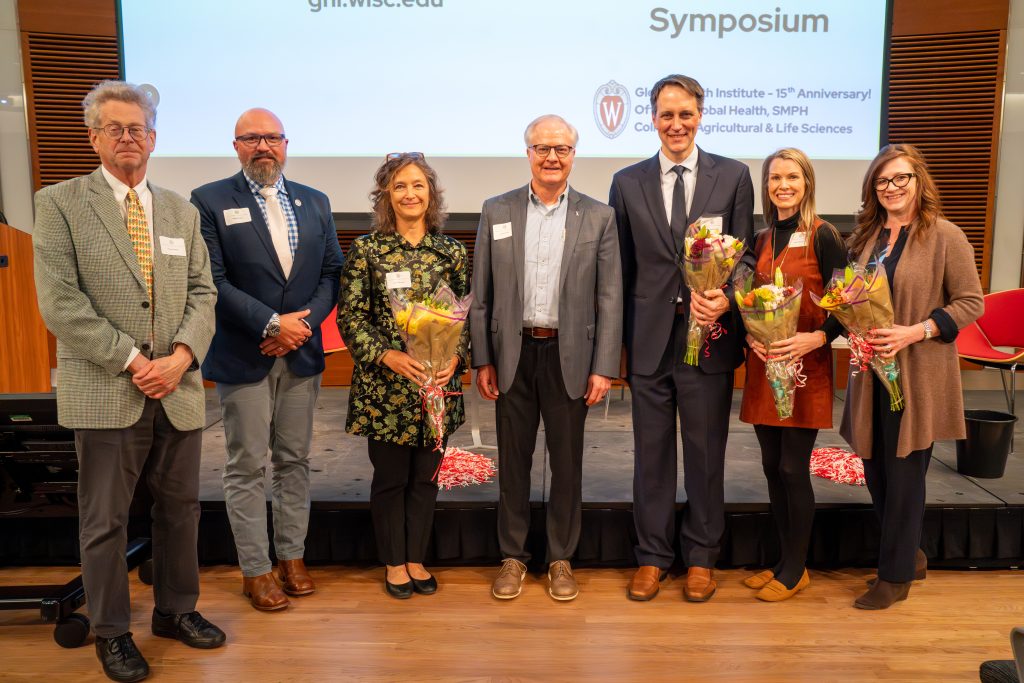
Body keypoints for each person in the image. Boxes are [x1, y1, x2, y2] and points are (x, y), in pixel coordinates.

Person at [32, 80, 223, 683]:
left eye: (136, 128)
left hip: (178, 387)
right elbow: (59, 302)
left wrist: (183, 354)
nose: (126, 139)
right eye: (113, 129)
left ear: (154, 137)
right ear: (93, 138)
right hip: (108, 387)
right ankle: (111, 631)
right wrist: (134, 361)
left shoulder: (180, 209)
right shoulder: (59, 203)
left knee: (180, 510)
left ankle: (175, 611)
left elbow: (202, 291)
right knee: (106, 519)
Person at [190, 109, 343, 611]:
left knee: (294, 461)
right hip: (244, 352)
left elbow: (330, 273)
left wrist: (299, 326)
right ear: (236, 145)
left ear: (286, 143)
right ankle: (255, 569)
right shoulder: (209, 200)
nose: (263, 146)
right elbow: (213, 280)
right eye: (252, 138)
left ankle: (292, 557)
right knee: (248, 464)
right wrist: (272, 324)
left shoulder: (315, 201)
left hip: (300, 354)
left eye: (271, 137)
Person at [609, 74, 755, 602]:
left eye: (685, 114)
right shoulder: (626, 183)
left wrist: (729, 297)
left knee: (705, 453)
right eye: (666, 114)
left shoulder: (734, 176)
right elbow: (618, 272)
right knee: (650, 456)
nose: (676, 124)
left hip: (709, 339)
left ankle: (701, 558)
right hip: (649, 339)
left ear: (700, 116)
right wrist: (615, 346)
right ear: (651, 118)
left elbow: (746, 258)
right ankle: (652, 557)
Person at [471, 115, 622, 602]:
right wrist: (482, 357)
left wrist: (604, 366)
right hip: (512, 352)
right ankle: (513, 556)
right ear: (528, 152)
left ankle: (560, 557)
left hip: (570, 357)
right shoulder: (496, 210)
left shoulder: (599, 216)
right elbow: (481, 295)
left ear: (574, 155)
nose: (552, 156)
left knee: (567, 465)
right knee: (513, 464)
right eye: (542, 148)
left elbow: (610, 297)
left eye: (561, 148)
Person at [842, 143, 983, 609]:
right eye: (882, 181)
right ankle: (912, 554)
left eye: (901, 178)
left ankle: (895, 576)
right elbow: (850, 297)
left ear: (919, 182)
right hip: (870, 375)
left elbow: (970, 303)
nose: (892, 188)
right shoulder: (864, 239)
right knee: (876, 468)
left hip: (917, 373)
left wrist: (916, 331)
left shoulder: (946, 235)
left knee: (904, 473)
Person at [338, 154, 468, 599]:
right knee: (391, 479)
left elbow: (464, 318)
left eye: (418, 185)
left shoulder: (451, 251)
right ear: (386, 196)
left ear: (431, 193)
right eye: (399, 186)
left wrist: (456, 358)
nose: (410, 194)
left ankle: (417, 557)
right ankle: (394, 562)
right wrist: (387, 355)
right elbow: (351, 318)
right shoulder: (367, 250)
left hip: (436, 388)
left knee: (426, 479)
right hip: (387, 390)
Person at [738, 148, 845, 601]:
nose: (783, 185)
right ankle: (784, 562)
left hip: (805, 367)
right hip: (766, 365)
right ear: (766, 185)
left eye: (793, 177)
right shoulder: (761, 238)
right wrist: (752, 336)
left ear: (807, 183)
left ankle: (796, 569)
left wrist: (817, 339)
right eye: (775, 177)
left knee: (791, 467)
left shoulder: (824, 235)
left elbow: (848, 303)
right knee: (770, 467)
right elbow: (751, 300)